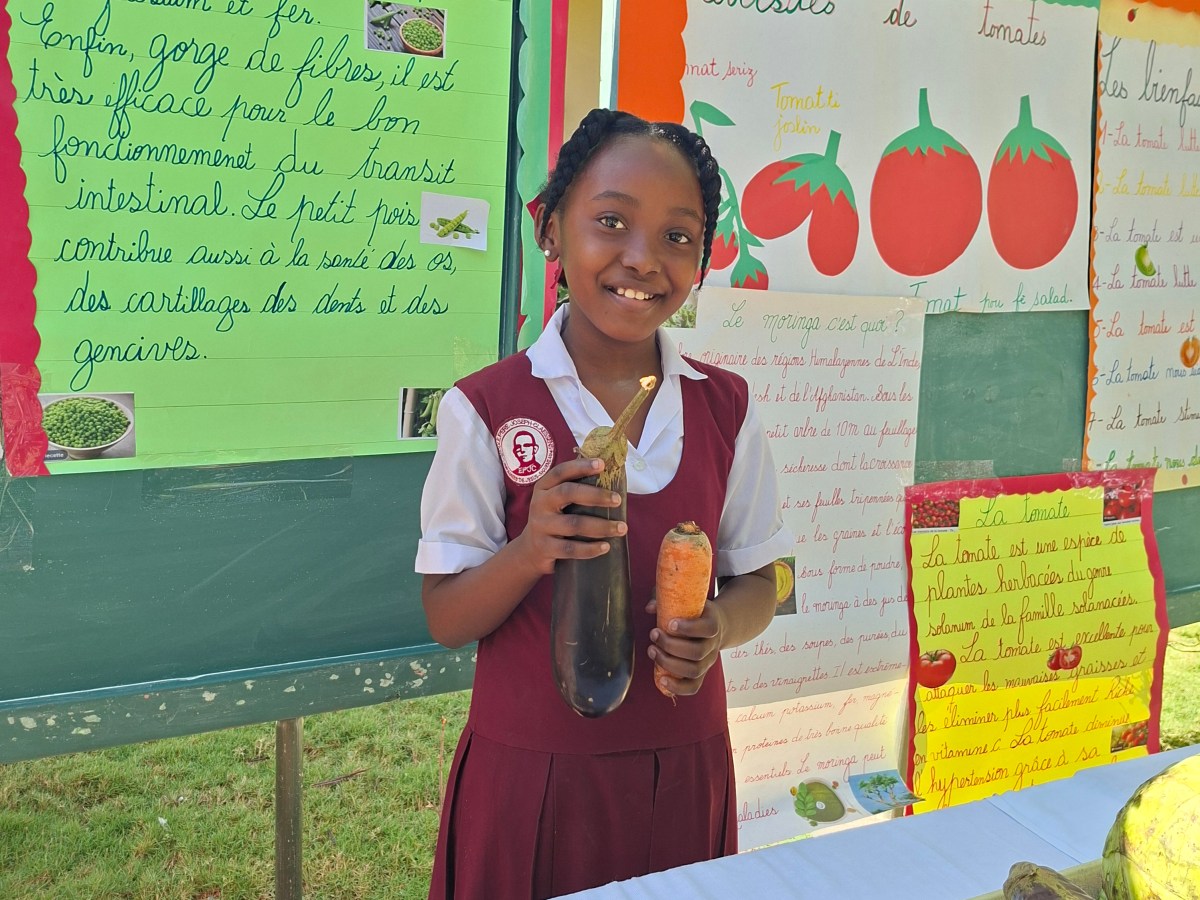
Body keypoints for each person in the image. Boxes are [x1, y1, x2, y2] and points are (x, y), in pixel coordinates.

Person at [415, 107, 793, 899]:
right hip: (534, 783)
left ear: (701, 260)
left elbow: (767, 578)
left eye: (677, 236)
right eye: (611, 221)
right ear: (552, 230)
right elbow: (447, 618)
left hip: (685, 771)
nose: (641, 258)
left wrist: (721, 624)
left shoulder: (725, 407)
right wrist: (530, 550)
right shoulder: (486, 408)